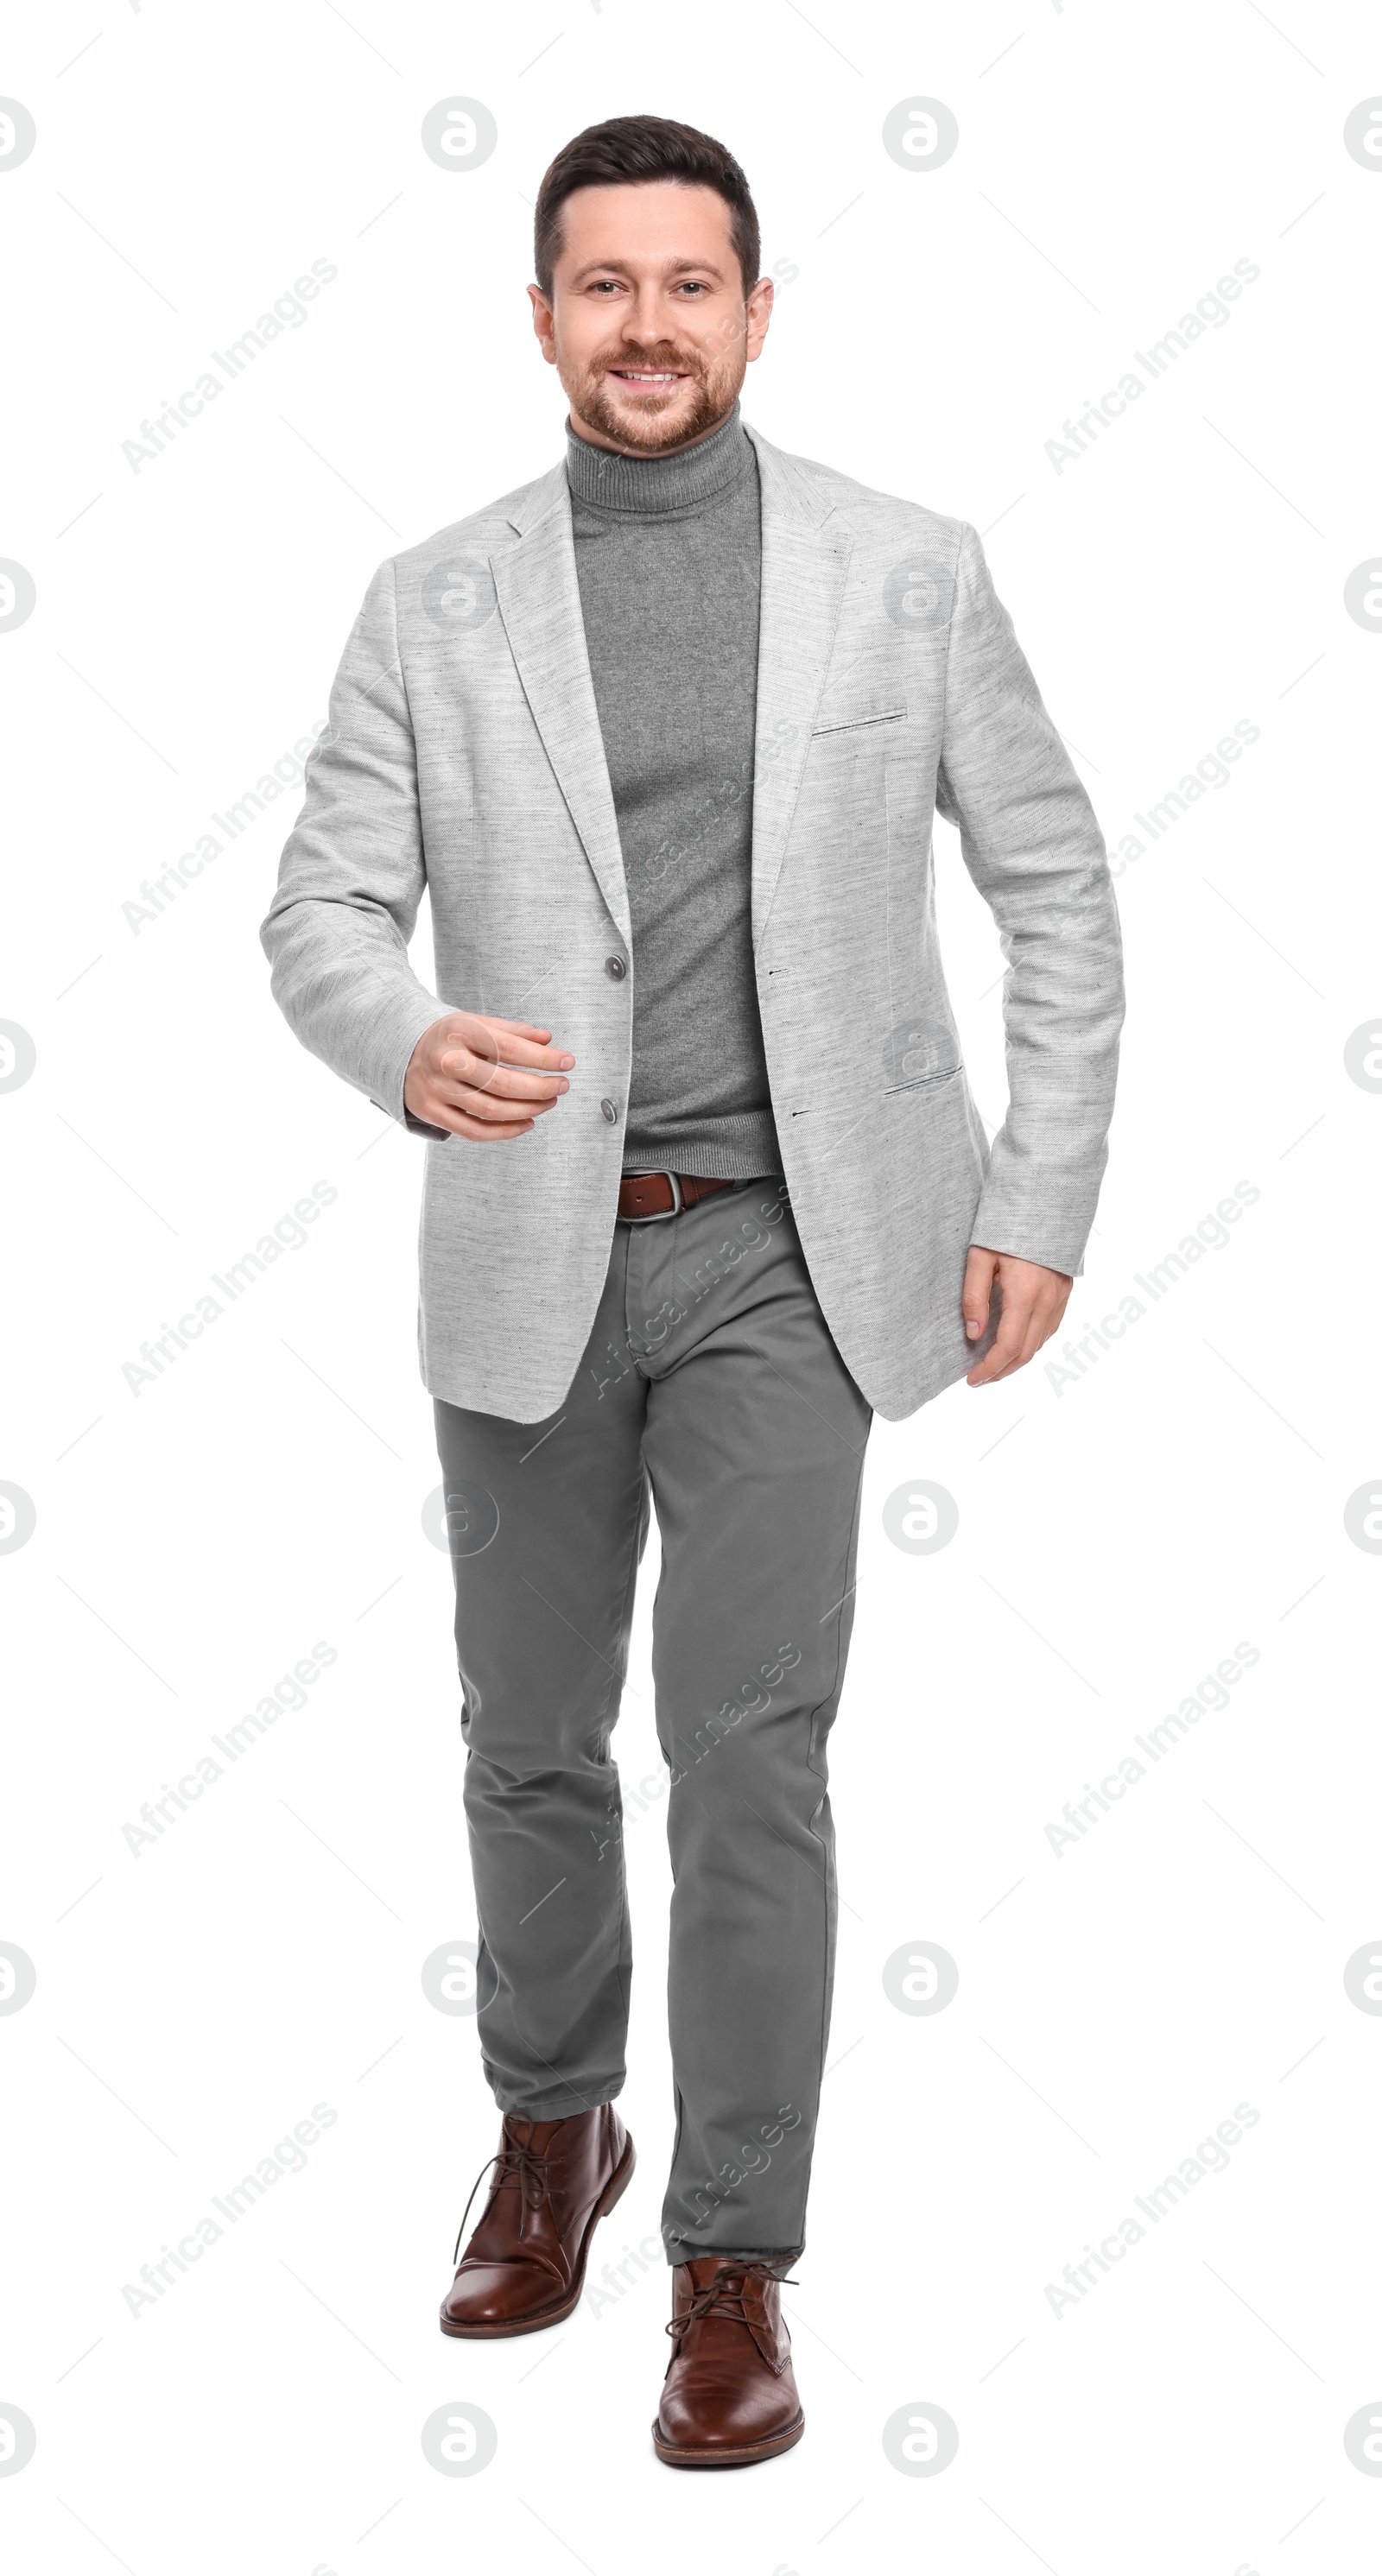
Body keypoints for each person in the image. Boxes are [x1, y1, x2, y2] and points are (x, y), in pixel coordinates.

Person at [261, 111, 1124, 2471]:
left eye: (691, 283)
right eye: (603, 284)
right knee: (527, 1744)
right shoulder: (428, 602)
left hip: (791, 1262)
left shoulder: (906, 575)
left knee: (754, 1762)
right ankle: (558, 2132)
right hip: (532, 1252)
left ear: (757, 307)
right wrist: (403, 1039)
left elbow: (1055, 885)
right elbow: (319, 911)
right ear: (537, 315)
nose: (649, 324)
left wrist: (1037, 1194)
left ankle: (732, 2259)